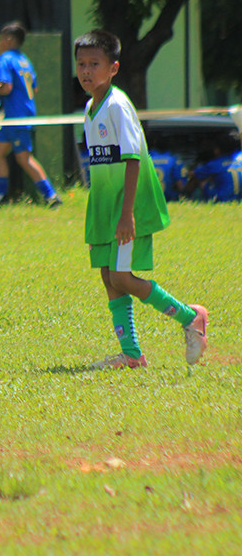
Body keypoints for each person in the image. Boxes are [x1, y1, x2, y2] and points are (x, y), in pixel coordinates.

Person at [75, 29, 208, 370]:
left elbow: (134, 159)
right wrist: (100, 218)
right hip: (107, 206)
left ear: (113, 68)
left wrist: (126, 214)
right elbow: (101, 167)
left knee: (121, 277)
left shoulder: (118, 106)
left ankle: (190, 317)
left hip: (128, 205)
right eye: (81, 64)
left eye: (94, 63)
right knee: (108, 275)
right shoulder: (90, 109)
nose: (86, 71)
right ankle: (132, 354)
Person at [0, 21, 62, 207]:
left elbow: (6, 88)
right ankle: (1, 198)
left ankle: (51, 197)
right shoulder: (25, 60)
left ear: (8, 39)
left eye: (1, 39)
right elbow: (35, 88)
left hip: (17, 117)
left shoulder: (6, 58)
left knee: (24, 158)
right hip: (20, 115)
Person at [184, 132, 242, 203]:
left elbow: (193, 174)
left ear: (217, 150)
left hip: (221, 198)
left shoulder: (215, 164)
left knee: (199, 179)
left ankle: (184, 197)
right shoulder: (239, 161)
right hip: (239, 199)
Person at [147, 137, 187, 202]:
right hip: (168, 198)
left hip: (149, 199)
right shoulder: (173, 160)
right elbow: (180, 185)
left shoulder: (147, 159)